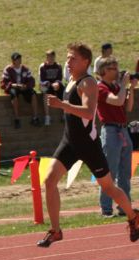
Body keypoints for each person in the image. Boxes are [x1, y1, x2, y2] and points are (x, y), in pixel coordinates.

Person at [39, 42, 139, 248]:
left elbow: (87, 111)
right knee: (49, 181)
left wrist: (61, 105)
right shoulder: (70, 82)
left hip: (88, 144)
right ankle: (56, 230)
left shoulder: (88, 83)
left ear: (85, 62)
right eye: (67, 58)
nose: (68, 61)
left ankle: (133, 216)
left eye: (72, 58)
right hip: (69, 141)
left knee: (109, 187)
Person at [96, 57, 136, 217]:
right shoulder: (100, 88)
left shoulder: (117, 87)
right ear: (104, 71)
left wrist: (131, 89)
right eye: (114, 68)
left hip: (123, 130)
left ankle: (124, 207)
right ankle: (106, 208)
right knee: (110, 172)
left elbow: (128, 106)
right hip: (111, 131)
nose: (118, 71)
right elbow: (118, 101)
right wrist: (124, 86)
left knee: (125, 172)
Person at [0, 52, 41, 128]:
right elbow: (3, 83)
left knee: (33, 93)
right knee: (13, 93)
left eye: (20, 58)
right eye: (17, 59)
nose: (19, 60)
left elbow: (32, 81)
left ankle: (35, 117)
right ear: (13, 60)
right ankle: (17, 118)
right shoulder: (8, 69)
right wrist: (12, 85)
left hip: (23, 87)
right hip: (13, 88)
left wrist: (26, 86)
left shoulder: (25, 69)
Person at [39, 50, 65, 126]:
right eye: (48, 57)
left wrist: (57, 83)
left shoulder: (58, 66)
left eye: (51, 57)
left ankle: (64, 114)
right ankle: (47, 116)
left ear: (54, 57)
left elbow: (60, 78)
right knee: (45, 93)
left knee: (65, 92)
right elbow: (42, 80)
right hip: (47, 84)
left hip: (56, 84)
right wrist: (49, 83)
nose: (50, 58)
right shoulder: (43, 67)